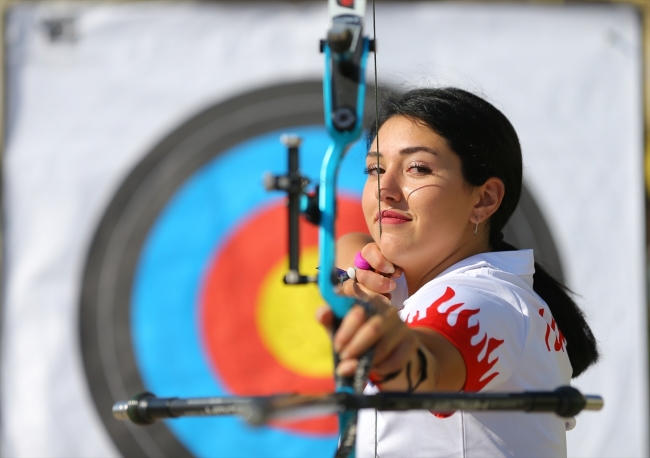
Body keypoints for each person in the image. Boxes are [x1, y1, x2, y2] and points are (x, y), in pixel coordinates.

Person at [316, 88, 599, 457]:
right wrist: (362, 267)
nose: (385, 188)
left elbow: (430, 366)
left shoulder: (486, 298)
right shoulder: (424, 283)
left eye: (418, 168)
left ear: (484, 200)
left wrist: (391, 350)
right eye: (375, 169)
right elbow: (351, 241)